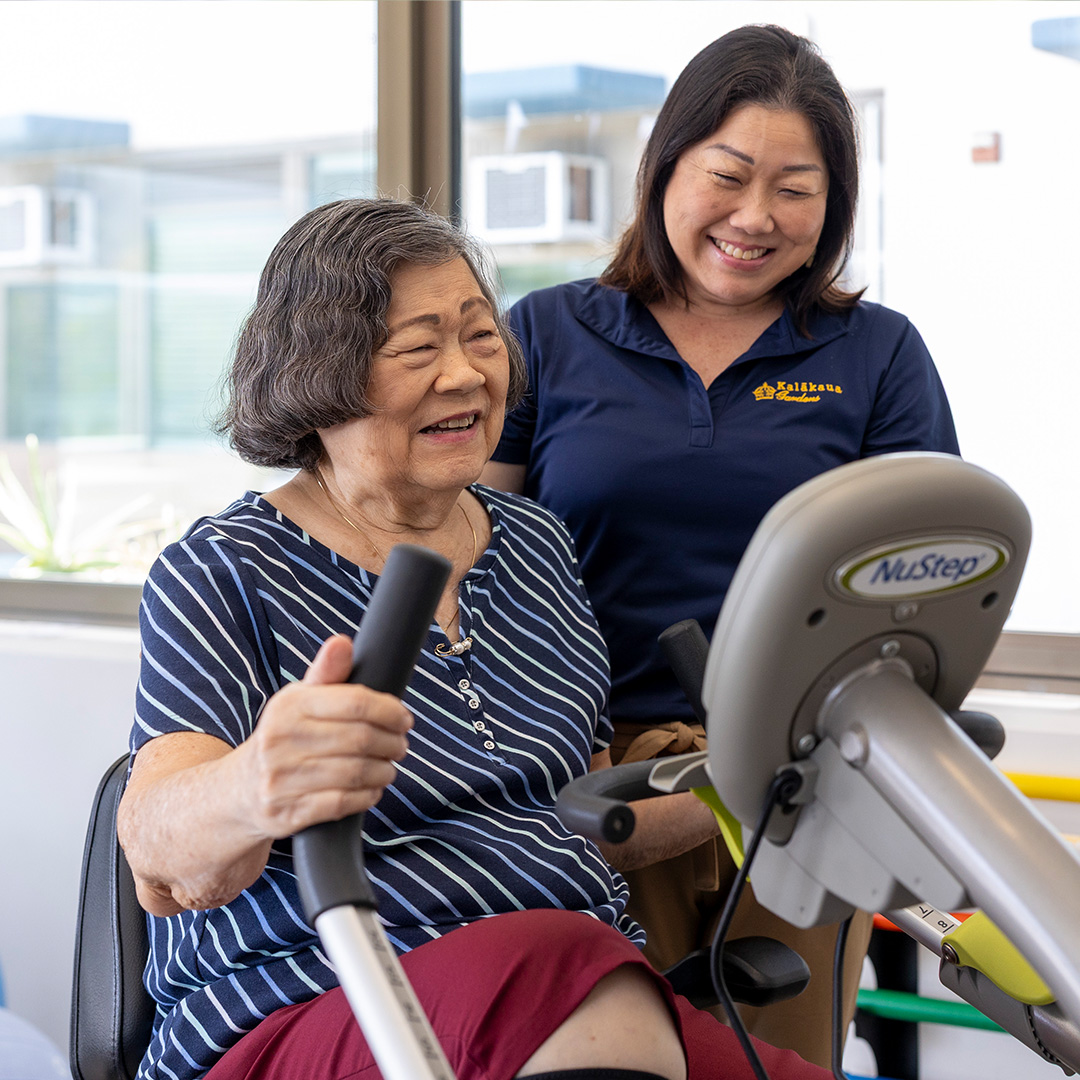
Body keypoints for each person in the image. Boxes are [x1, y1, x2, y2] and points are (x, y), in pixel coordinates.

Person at [116, 197, 830, 1080]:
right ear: (316, 372)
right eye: (419, 347)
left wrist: (760, 778)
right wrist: (256, 783)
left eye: (482, 336)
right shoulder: (224, 570)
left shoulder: (534, 545)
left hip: (579, 993)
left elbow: (579, 824)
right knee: (561, 962)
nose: (465, 375)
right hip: (318, 1004)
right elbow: (159, 851)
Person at [481, 24, 960, 1069]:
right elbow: (469, 557)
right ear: (666, 169)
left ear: (833, 205)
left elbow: (923, 591)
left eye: (797, 186)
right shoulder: (547, 333)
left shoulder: (876, 356)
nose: (756, 217)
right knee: (608, 1056)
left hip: (803, 782)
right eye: (729, 175)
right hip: (592, 774)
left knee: (777, 1061)